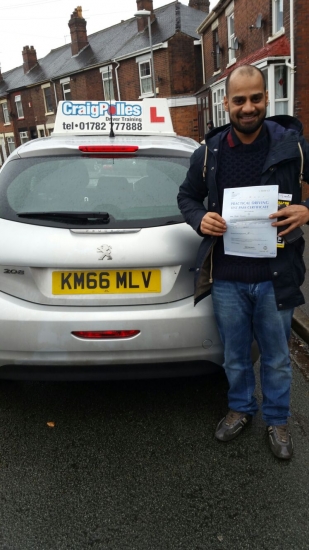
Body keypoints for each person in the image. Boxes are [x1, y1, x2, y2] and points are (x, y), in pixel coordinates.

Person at [177, 64, 309, 460]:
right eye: (239, 100)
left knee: (277, 358)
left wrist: (306, 210)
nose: (248, 107)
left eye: (255, 98)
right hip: (229, 278)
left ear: (266, 98)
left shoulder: (294, 146)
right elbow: (186, 197)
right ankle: (240, 409)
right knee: (234, 356)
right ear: (226, 103)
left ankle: (277, 419)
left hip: (275, 276)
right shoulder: (209, 154)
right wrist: (200, 218)